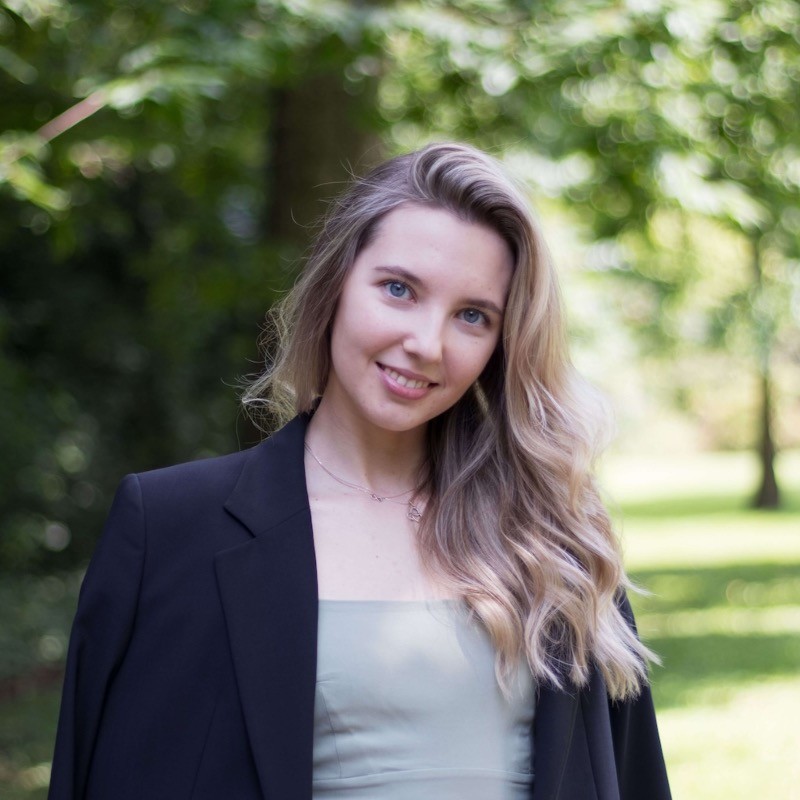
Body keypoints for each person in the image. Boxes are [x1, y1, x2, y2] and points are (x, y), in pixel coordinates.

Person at [49, 142, 671, 800]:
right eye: (398, 289)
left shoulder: (553, 533)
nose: (427, 344)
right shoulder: (171, 528)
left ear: (501, 343)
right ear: (335, 285)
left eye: (471, 316)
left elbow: (631, 779)